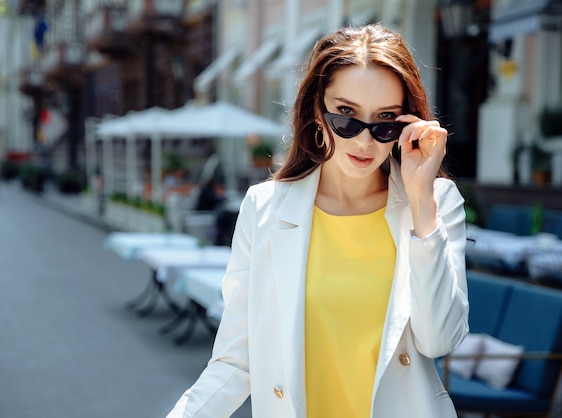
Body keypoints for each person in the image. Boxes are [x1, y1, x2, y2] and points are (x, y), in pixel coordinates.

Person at [167, 23, 469, 418]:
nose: (363, 141)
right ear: (316, 110)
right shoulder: (265, 209)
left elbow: (438, 340)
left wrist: (420, 201)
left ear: (406, 125)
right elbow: (236, 360)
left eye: (385, 121)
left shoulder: (435, 203)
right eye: (345, 115)